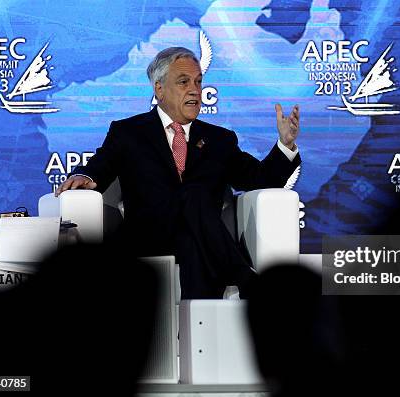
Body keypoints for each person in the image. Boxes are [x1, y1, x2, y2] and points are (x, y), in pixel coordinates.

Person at [55, 47, 301, 299]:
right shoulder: (129, 132)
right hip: (146, 238)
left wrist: (286, 144)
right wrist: (84, 176)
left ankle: (200, 323)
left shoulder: (219, 139)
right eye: (184, 82)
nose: (195, 90)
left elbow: (261, 179)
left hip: (198, 242)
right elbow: (102, 164)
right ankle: (242, 277)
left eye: (198, 81)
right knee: (193, 196)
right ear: (159, 89)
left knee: (191, 232)